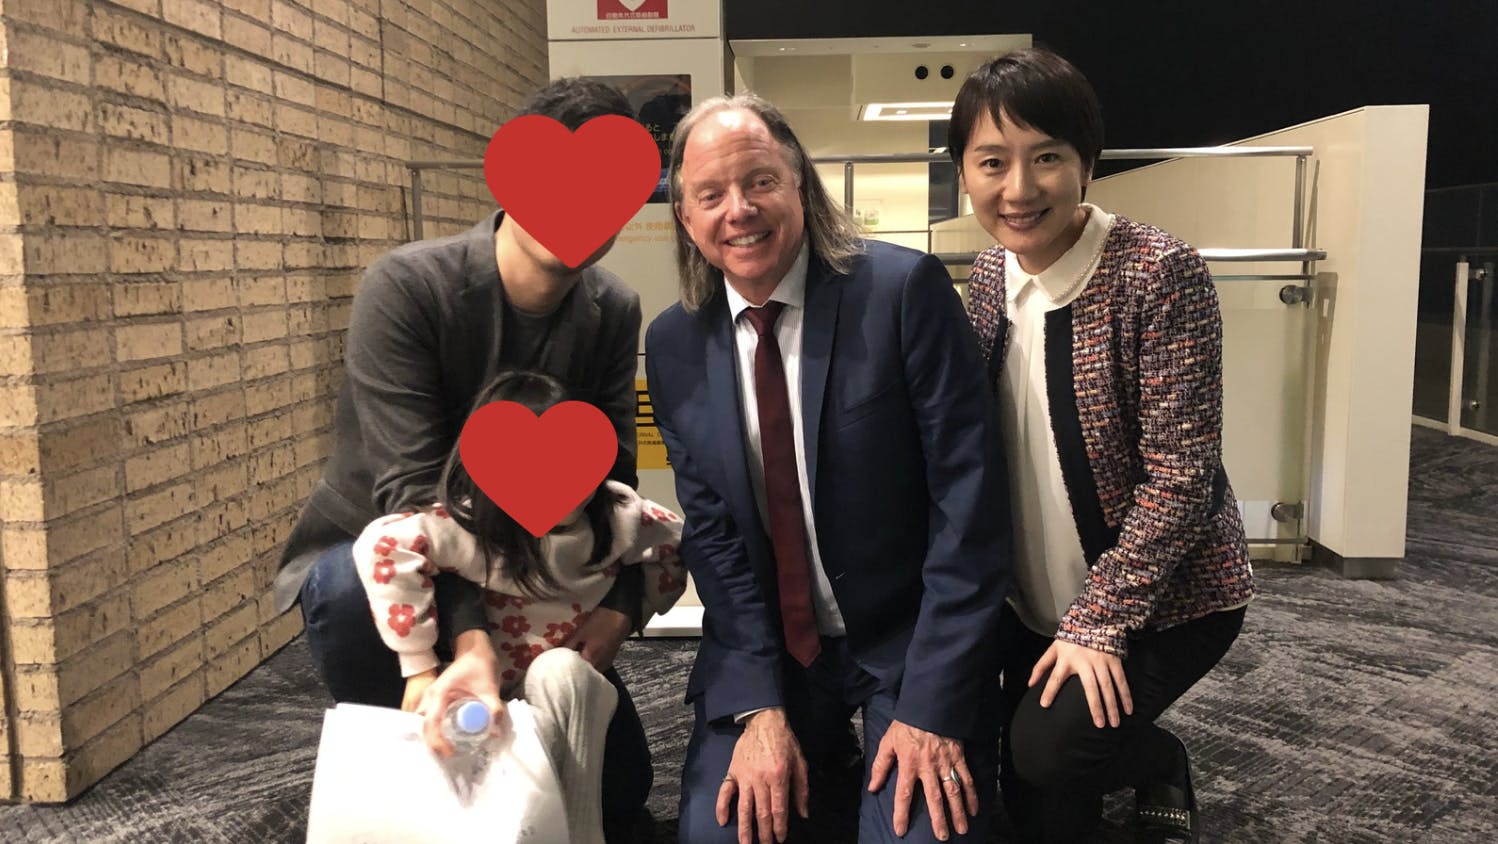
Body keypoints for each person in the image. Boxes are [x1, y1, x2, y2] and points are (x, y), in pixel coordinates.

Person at [273, 78, 656, 840]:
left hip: (533, 573)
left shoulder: (611, 308)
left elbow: (615, 484)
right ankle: (422, 754)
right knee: (349, 593)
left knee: (621, 793)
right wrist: (470, 643)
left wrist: (620, 605)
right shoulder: (408, 287)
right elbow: (412, 495)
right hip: (393, 561)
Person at [646, 93, 1013, 844]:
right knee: (721, 833)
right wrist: (757, 707)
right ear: (685, 218)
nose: (739, 210)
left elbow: (969, 508)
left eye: (760, 181)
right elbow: (713, 537)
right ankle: (829, 760)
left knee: (920, 834)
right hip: (772, 647)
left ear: (800, 185)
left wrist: (929, 709)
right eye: (710, 195)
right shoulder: (674, 343)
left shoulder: (902, 293)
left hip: (908, 642)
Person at [952, 47, 1256, 843]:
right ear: (964, 175)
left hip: (1164, 598)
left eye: (1047, 157)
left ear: (1086, 164)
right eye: (993, 161)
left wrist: (1099, 621)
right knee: (1027, 798)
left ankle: (1161, 759)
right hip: (1033, 599)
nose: (1019, 188)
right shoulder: (988, 276)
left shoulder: (1157, 272)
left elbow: (1183, 478)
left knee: (1049, 752)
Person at [352, 370, 687, 843]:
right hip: (479, 697)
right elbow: (383, 547)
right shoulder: (468, 525)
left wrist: (627, 612)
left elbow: (674, 543)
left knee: (563, 672)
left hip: (567, 687)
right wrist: (420, 666)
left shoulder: (618, 515)